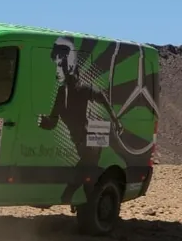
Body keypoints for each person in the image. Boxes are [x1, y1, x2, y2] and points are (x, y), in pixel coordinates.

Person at [37, 37, 123, 204]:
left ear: (69, 65)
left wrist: (116, 120)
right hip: (79, 142)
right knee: (87, 180)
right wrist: (43, 121)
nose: (57, 70)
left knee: (83, 173)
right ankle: (90, 214)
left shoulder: (82, 88)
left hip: (90, 141)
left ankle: (70, 199)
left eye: (60, 65)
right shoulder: (62, 94)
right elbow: (53, 122)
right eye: (56, 65)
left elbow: (102, 97)